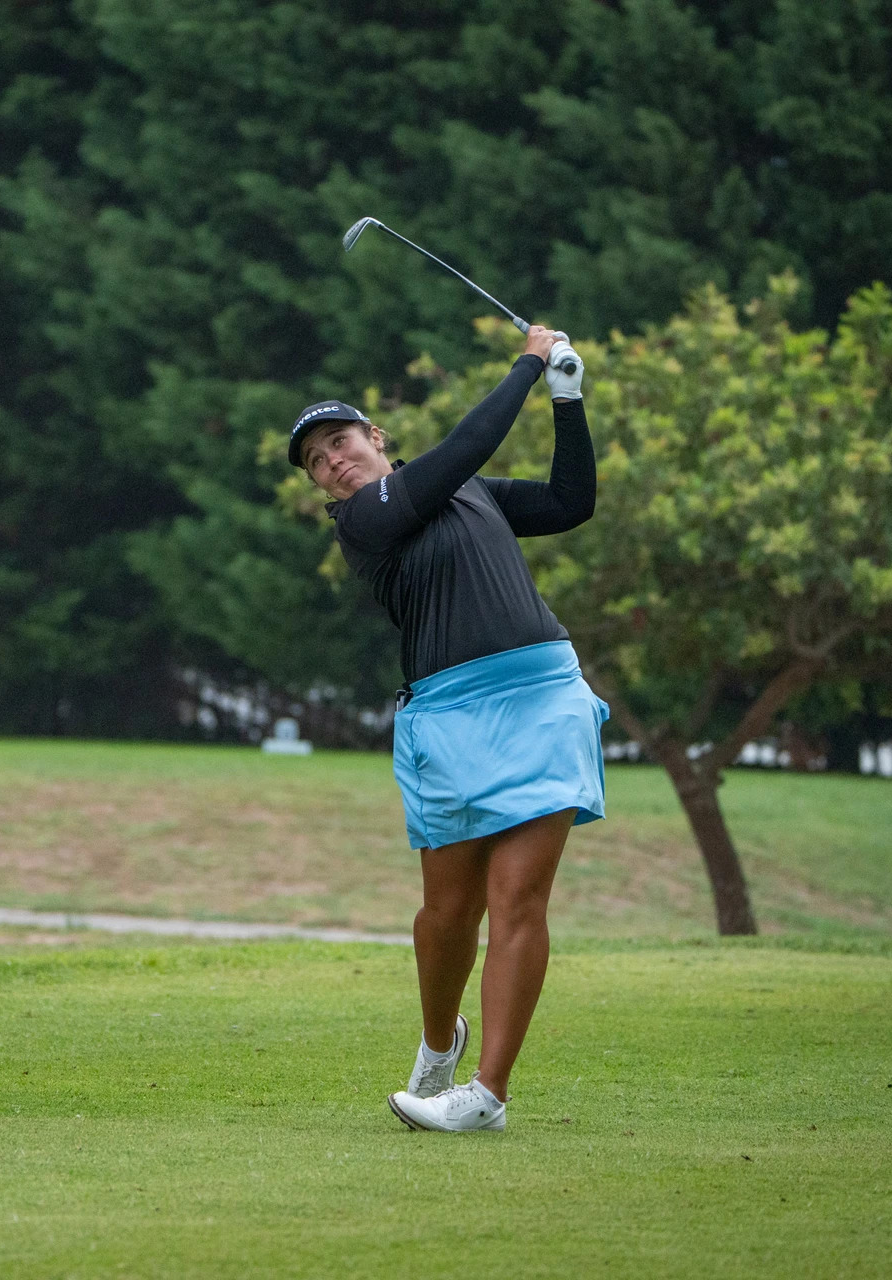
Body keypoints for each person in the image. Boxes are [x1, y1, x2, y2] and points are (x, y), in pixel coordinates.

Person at [287, 326, 603, 1132]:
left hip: (542, 695)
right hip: (448, 716)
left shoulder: (473, 492)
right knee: (447, 914)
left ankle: (487, 1095)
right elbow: (465, 445)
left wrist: (568, 402)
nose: (333, 460)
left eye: (340, 441)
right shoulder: (364, 520)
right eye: (318, 460)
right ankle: (440, 1044)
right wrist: (530, 362)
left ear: (374, 437)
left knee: (518, 900)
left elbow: (571, 502)